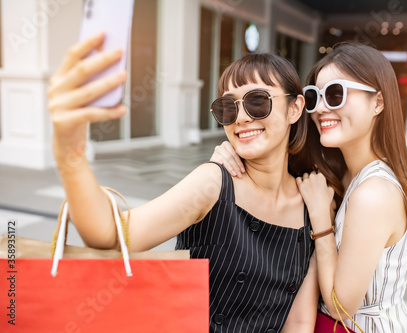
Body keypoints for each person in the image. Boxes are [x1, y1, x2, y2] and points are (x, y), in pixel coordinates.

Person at [48, 32, 318, 332]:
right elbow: (110, 236)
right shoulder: (213, 183)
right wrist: (69, 154)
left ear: (294, 108)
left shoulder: (312, 201)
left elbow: (299, 321)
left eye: (257, 101)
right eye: (228, 108)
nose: (240, 118)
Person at [211, 41, 407, 332]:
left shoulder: (373, 194)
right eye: (315, 97)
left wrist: (322, 220)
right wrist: (231, 153)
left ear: (377, 102)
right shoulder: (341, 173)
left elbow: (340, 306)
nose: (321, 108)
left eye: (336, 94)